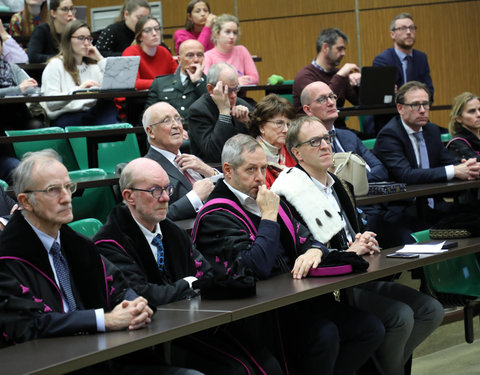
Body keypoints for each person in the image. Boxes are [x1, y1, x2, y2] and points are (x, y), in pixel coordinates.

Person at [192, 133, 384, 375]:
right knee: (325, 335)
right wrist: (269, 218)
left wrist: (313, 251)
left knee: (369, 328)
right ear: (228, 171)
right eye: (251, 169)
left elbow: (310, 240)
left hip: (293, 300)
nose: (260, 178)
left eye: (263, 168)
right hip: (255, 315)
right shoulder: (216, 214)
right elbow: (253, 268)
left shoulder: (269, 201)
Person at [271, 116, 444, 375]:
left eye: (326, 139)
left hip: (358, 275)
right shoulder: (287, 191)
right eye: (315, 142)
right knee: (401, 316)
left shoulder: (339, 184)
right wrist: (348, 252)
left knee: (431, 309)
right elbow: (303, 253)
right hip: (328, 288)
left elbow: (352, 234)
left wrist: (363, 239)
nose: (325, 146)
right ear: (297, 153)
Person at [94, 157, 211, 306]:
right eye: (155, 191)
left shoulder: (174, 232)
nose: (166, 197)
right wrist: (187, 285)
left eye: (167, 188)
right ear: (129, 197)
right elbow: (140, 296)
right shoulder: (109, 242)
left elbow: (207, 275)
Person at [374, 81, 480, 244]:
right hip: (402, 210)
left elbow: (448, 161)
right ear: (400, 108)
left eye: (426, 104)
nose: (423, 110)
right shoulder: (389, 135)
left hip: (433, 205)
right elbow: (406, 175)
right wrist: (456, 170)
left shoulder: (431, 130)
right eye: (416, 105)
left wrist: (469, 167)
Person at [301, 81, 388, 182]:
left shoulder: (348, 136)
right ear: (308, 110)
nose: (331, 103)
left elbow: (380, 169)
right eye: (322, 99)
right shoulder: (307, 143)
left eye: (332, 96)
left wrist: (355, 183)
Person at [143, 102, 217, 221]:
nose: (176, 125)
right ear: (150, 132)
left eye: (178, 119)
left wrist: (209, 172)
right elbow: (155, 217)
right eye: (166, 121)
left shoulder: (193, 159)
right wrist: (195, 197)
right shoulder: (147, 168)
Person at [41, 20, 118, 127]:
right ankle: (110, 134)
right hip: (67, 116)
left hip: (91, 113)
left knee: (108, 104)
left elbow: (114, 87)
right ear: (68, 40)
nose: (87, 43)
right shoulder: (55, 65)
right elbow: (51, 103)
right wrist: (78, 91)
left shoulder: (94, 66)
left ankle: (111, 133)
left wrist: (100, 58)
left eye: (89, 38)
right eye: (81, 38)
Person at [372, 13, 434, 133]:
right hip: (390, 118)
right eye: (403, 28)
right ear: (392, 34)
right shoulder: (383, 60)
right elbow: (383, 97)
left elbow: (430, 91)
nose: (409, 32)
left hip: (417, 116)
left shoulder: (421, 58)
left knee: (439, 134)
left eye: (411, 28)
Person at [292, 28, 360, 122]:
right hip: (313, 131)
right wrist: (340, 76)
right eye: (339, 49)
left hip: (339, 130)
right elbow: (322, 103)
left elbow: (359, 102)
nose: (343, 53)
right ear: (325, 47)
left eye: (344, 49)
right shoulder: (304, 76)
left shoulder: (339, 75)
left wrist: (358, 84)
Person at [188, 62, 251, 163]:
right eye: (228, 90)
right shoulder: (198, 111)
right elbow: (215, 154)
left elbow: (257, 145)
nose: (234, 95)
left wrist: (248, 123)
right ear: (210, 89)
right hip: (212, 171)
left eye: (236, 89)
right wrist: (224, 113)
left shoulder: (242, 105)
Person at [145, 39, 207, 125]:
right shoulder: (160, 83)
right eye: (190, 55)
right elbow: (148, 117)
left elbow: (214, 110)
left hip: (199, 134)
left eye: (199, 55)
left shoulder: (211, 83)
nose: (196, 60)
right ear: (179, 60)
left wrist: (198, 82)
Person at [247, 94, 296, 188]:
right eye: (279, 123)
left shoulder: (292, 150)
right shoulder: (252, 155)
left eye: (288, 124)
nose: (286, 129)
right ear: (262, 127)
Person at [122, 15, 177, 90]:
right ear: (140, 37)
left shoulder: (164, 52)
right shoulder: (130, 53)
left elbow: (177, 78)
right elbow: (133, 83)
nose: (154, 33)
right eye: (148, 30)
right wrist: (163, 83)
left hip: (162, 95)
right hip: (138, 98)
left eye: (157, 29)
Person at [203, 14, 258, 85]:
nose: (232, 36)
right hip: (218, 95)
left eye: (235, 33)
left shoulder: (242, 50)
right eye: (227, 32)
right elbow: (208, 82)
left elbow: (255, 78)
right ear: (217, 33)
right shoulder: (208, 56)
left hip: (240, 95)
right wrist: (235, 82)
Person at [447, 92, 480, 162]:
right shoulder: (457, 143)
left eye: (479, 109)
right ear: (459, 118)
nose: (478, 114)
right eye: (472, 111)